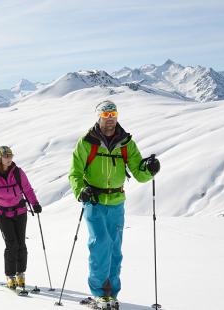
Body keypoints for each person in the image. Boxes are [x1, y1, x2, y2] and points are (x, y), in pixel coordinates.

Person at [68, 100, 160, 309]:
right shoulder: (86, 142)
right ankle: (100, 293)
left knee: (115, 248)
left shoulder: (126, 143)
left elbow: (139, 172)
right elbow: (75, 172)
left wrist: (150, 169)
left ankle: (112, 292)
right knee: (100, 243)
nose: (110, 119)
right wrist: (80, 190)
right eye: (106, 115)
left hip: (117, 202)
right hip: (94, 201)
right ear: (98, 117)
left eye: (114, 114)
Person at [0, 146, 42, 289]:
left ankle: (20, 273)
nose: (9, 159)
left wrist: (35, 203)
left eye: (10, 156)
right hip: (2, 214)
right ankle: (10, 276)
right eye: (6, 156)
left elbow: (27, 189)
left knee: (21, 243)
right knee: (11, 244)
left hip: (20, 212)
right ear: (0, 158)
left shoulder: (18, 172)